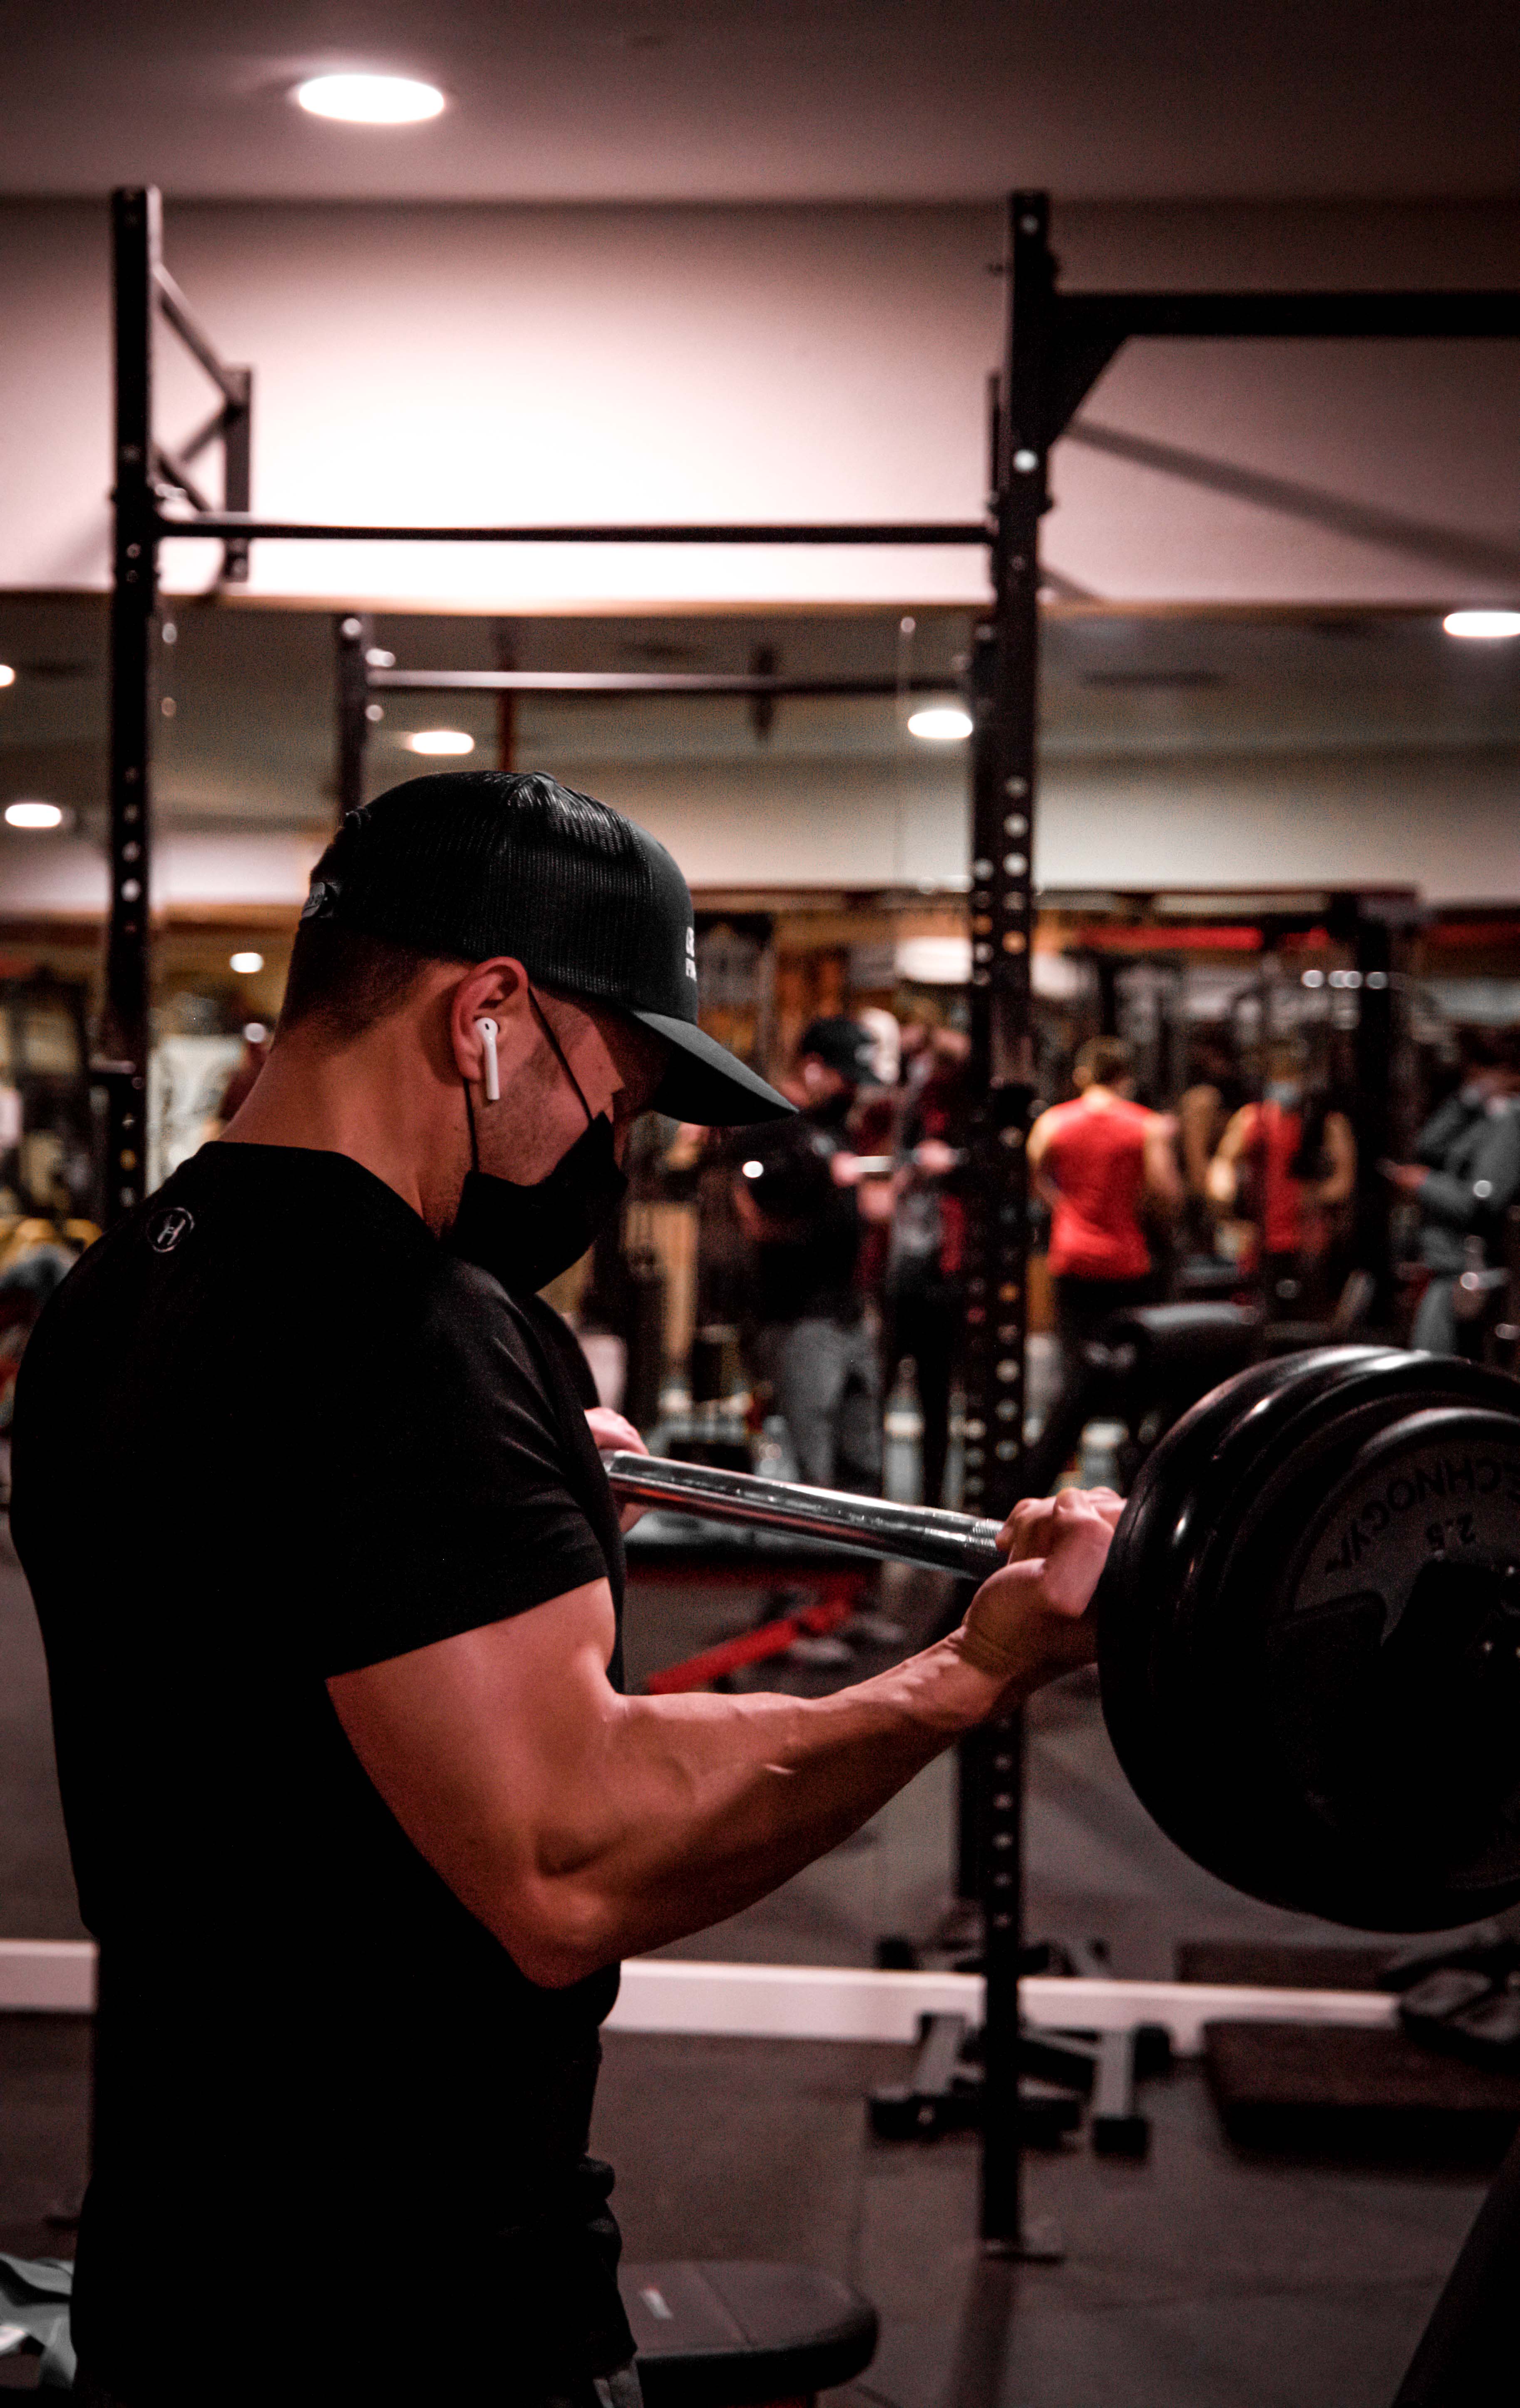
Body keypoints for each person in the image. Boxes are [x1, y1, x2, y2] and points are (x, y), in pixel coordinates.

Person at [11, 770, 1116, 2408]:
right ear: (491, 1017)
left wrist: (503, 1507)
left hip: (179, 2270)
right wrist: (965, 1672)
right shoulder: (420, 1331)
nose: (622, 1144)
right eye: (625, 1088)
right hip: (418, 2314)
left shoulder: (116, 1292)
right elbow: (564, 1861)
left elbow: (282, 1629)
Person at [733, 1014, 884, 1493]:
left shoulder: (832, 1126)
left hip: (847, 1310)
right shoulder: (770, 1125)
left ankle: (862, 1564)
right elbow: (757, 1217)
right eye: (844, 1078)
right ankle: (811, 1566)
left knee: (863, 1458)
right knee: (812, 1468)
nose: (851, 1092)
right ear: (814, 1067)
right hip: (798, 1316)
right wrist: (822, 1180)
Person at [1027, 1034, 1182, 1376]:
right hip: (1126, 1256)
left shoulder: (1053, 1122)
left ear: (1083, 1075)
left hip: (1071, 1252)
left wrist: (1062, 1204)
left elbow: (1031, 1179)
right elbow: (1167, 1191)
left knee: (1075, 1361)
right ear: (1125, 1077)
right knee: (1131, 1360)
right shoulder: (1147, 1125)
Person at [1382, 1029, 1520, 1354]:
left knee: (1442, 1375)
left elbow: (1480, 1203)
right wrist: (1465, 1100)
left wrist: (1425, 1183)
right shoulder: (1486, 1115)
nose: (1474, 1078)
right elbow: (1428, 1144)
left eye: (1485, 1070)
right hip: (1446, 1267)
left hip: (1470, 1270)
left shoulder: (1511, 1122)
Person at [1207, 1043, 1356, 1312]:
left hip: (1308, 1239)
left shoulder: (1326, 1122)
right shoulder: (1253, 1118)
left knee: (1307, 1312)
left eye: (1291, 1077)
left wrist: (1314, 1198)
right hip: (1261, 1238)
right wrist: (1226, 1197)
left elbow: (1344, 1181)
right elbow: (1224, 1162)